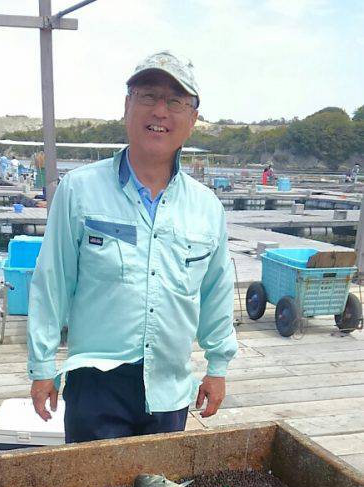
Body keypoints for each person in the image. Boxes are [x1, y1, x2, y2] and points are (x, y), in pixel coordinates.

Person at [27, 51, 238, 443]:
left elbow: (217, 293)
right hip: (95, 382)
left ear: (192, 119)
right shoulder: (78, 190)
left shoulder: (208, 207)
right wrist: (42, 366)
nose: (160, 111)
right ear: (127, 106)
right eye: (148, 96)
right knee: (91, 483)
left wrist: (218, 365)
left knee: (160, 483)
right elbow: (52, 281)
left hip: (170, 385)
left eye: (175, 101)